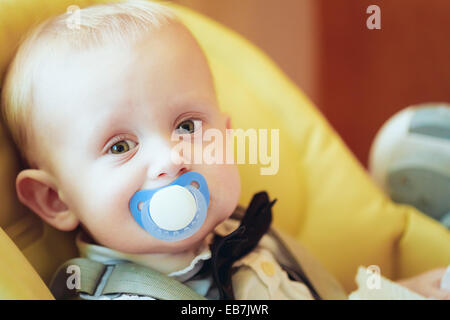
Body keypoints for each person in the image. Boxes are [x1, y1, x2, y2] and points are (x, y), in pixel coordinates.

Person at [1, 0, 448, 300]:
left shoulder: (244, 232)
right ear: (55, 199)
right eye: (120, 145)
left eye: (188, 126)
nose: (172, 158)